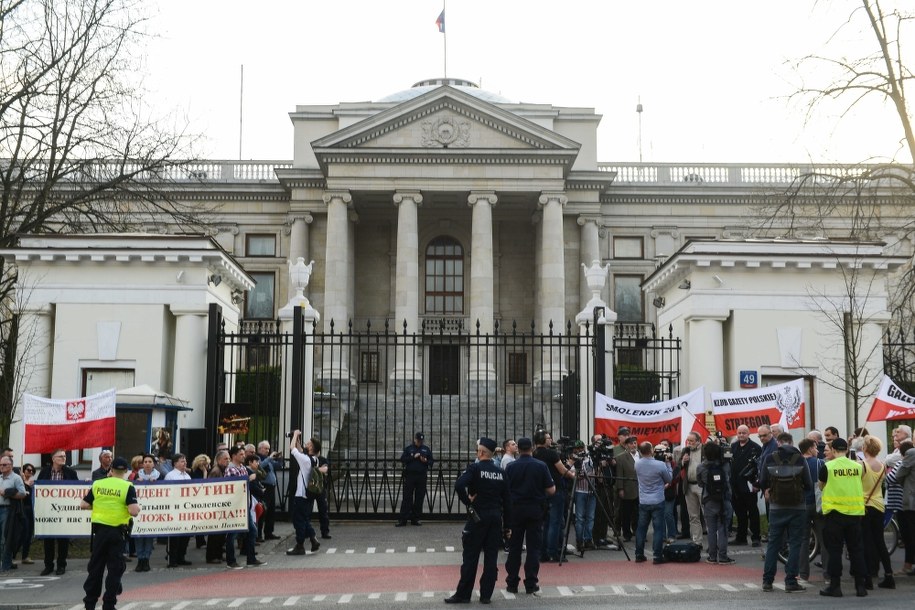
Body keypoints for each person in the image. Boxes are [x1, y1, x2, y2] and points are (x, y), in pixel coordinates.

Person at [444, 438, 510, 604]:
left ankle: (464, 594)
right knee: (491, 557)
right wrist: (507, 526)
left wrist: (468, 501)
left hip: (478, 517)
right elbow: (508, 502)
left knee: (471, 557)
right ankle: (486, 595)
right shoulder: (501, 473)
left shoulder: (475, 468)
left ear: (481, 452)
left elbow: (459, 485)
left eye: (477, 451)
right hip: (495, 518)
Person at [80, 456, 141, 610]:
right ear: (126, 471)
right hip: (117, 533)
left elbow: (84, 504)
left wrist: (100, 507)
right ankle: (109, 604)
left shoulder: (98, 484)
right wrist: (137, 509)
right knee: (115, 569)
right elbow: (133, 511)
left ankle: (89, 603)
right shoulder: (128, 486)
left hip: (99, 533)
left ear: (111, 470)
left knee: (96, 568)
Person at [759, 432, 811, 593]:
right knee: (795, 543)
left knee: (774, 544)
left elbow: (762, 481)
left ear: (779, 443)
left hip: (776, 507)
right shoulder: (800, 458)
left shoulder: (770, 458)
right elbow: (808, 484)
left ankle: (767, 581)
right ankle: (790, 582)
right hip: (797, 508)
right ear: (791, 442)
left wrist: (769, 489)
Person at [504, 437, 555, 596]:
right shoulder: (540, 466)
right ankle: (531, 583)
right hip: (535, 509)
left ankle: (512, 582)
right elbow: (551, 489)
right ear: (532, 448)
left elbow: (505, 491)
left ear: (518, 449)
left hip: (516, 510)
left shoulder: (511, 467)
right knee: (533, 548)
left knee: (514, 548)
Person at [818, 437, 868, 597]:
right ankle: (861, 586)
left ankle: (835, 586)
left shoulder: (828, 466)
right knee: (856, 550)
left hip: (834, 515)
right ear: (846, 450)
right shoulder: (858, 467)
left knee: (834, 551)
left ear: (832, 450)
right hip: (855, 514)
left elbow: (821, 485)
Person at [533, 429, 575, 561]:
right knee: (555, 522)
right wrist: (572, 474)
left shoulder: (534, 454)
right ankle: (554, 552)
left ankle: (543, 552)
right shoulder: (552, 454)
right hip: (555, 489)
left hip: (541, 490)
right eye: (548, 438)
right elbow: (562, 470)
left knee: (545, 523)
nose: (551, 440)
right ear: (542, 440)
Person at [859, 435, 894, 589]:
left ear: (864, 448)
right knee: (879, 541)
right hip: (879, 505)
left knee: (866, 541)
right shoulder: (882, 465)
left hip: (864, 506)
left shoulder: (861, 465)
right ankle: (889, 575)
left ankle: (868, 577)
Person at [38, 449, 79, 575]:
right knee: (48, 540)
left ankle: (61, 565)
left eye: (64, 456)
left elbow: (77, 490)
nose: (63, 458)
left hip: (64, 512)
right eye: (60, 456)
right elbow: (38, 489)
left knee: (63, 540)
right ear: (53, 459)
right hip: (48, 511)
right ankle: (48, 565)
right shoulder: (44, 472)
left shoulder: (71, 472)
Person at [633, 441, 672, 564]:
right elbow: (669, 479)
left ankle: (639, 554)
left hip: (644, 500)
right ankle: (657, 556)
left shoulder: (637, 464)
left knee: (641, 528)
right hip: (658, 500)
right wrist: (668, 464)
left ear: (640, 451)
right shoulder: (660, 465)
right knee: (658, 528)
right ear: (651, 451)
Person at [224, 446, 262, 567]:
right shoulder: (230, 469)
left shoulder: (243, 468)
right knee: (233, 533)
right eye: (241, 454)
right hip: (235, 506)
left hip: (245, 504)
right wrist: (248, 479)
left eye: (243, 454)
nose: (243, 456)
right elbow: (232, 486)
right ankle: (231, 560)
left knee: (252, 530)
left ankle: (251, 558)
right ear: (234, 456)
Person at [696, 441, 733, 564]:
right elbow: (728, 479)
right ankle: (723, 557)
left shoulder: (701, 467)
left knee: (711, 529)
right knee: (723, 529)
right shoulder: (725, 465)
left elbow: (700, 483)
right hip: (724, 499)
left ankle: (712, 556)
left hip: (709, 500)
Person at [287, 430, 322, 556]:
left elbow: (293, 450)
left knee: (298, 520)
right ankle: (313, 539)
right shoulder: (314, 460)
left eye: (309, 443)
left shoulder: (305, 460)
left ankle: (300, 545)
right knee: (305, 518)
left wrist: (295, 434)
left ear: (311, 446)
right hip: (310, 494)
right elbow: (301, 452)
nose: (307, 443)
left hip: (301, 494)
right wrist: (299, 442)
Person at [886, 442, 915, 577]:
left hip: (909, 502)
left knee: (908, 536)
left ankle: (908, 566)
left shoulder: (910, 454)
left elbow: (897, 476)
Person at [730, 425, 761, 546]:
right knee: (739, 512)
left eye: (744, 433)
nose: (741, 435)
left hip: (749, 484)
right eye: (739, 433)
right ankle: (741, 537)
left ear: (748, 434)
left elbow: (758, 467)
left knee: (753, 511)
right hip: (735, 485)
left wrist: (756, 482)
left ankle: (756, 537)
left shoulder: (756, 448)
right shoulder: (733, 447)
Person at [797, 438, 822, 582]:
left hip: (802, 504)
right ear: (810, 449)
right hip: (818, 504)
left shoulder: (797, 463)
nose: (817, 450)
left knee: (803, 540)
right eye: (815, 447)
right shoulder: (819, 463)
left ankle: (803, 574)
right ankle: (827, 575)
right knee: (824, 539)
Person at [396, 432, 434, 527]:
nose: (419, 442)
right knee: (407, 497)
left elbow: (431, 461)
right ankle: (403, 519)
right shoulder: (409, 449)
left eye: (421, 440)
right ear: (414, 439)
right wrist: (413, 457)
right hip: (410, 476)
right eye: (418, 440)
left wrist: (425, 461)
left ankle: (415, 519)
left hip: (421, 476)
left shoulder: (426, 449)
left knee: (419, 498)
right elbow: (403, 459)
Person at [163, 454, 193, 568]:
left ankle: (181, 557)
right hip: (175, 509)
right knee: (174, 537)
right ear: (175, 463)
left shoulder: (187, 476)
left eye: (185, 461)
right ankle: (172, 559)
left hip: (186, 509)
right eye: (181, 461)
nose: (184, 463)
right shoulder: (170, 476)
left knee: (185, 536)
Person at [133, 454, 160, 572]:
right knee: (139, 536)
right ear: (142, 464)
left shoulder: (160, 476)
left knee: (149, 536)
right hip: (139, 511)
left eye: (150, 461)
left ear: (153, 464)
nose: (147, 463)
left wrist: (157, 484)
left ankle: (146, 560)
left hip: (153, 511)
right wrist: (137, 483)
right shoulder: (136, 476)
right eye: (145, 462)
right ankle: (140, 559)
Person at [0, 455, 26, 572]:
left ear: (10, 466)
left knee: (6, 538)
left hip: (8, 510)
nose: (2, 467)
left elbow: (22, 493)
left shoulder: (16, 478)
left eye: (4, 465)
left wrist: (6, 492)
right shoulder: (0, 478)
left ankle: (5, 565)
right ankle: (7, 563)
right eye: (0, 465)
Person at [570, 440, 596, 551]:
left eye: (582, 447)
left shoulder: (590, 457)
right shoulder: (572, 459)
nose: (581, 450)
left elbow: (595, 471)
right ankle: (579, 541)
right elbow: (572, 474)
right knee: (580, 518)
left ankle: (588, 539)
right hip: (580, 490)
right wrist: (578, 474)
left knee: (590, 517)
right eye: (578, 448)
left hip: (591, 490)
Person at [205, 449, 230, 565]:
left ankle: (218, 554)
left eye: (229, 459)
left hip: (221, 505)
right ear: (219, 460)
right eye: (226, 459)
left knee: (220, 534)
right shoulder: (216, 471)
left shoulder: (222, 470)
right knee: (215, 534)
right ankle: (212, 556)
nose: (228, 461)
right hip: (215, 506)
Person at [679, 431, 704, 547]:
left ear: (698, 441)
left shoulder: (704, 450)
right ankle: (697, 541)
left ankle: (713, 543)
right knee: (693, 516)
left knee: (708, 515)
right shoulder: (686, 450)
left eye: (692, 441)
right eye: (688, 441)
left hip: (702, 486)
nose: (689, 443)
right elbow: (679, 465)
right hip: (689, 486)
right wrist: (683, 461)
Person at [614, 435, 639, 542]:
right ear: (627, 445)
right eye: (631, 443)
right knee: (626, 513)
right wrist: (620, 489)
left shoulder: (642, 455)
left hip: (641, 489)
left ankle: (638, 531)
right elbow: (619, 474)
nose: (633, 445)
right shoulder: (621, 457)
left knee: (639, 513)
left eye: (635, 443)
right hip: (628, 488)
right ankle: (626, 534)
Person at [256, 441, 281, 541]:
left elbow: (277, 466)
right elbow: (260, 466)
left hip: (271, 487)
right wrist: (269, 457)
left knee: (271, 511)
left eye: (268, 449)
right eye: (265, 448)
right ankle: (258, 534)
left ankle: (269, 532)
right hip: (264, 486)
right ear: (260, 449)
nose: (267, 450)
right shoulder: (258, 458)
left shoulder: (269, 460)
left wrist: (279, 458)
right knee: (263, 511)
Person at [16, 463, 36, 566]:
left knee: (29, 534)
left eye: (32, 471)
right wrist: (24, 482)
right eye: (28, 470)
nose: (30, 472)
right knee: (22, 533)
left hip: (31, 510)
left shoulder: (33, 483)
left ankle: (25, 556)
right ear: (23, 470)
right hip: (22, 509)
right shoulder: (20, 481)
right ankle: (12, 555)